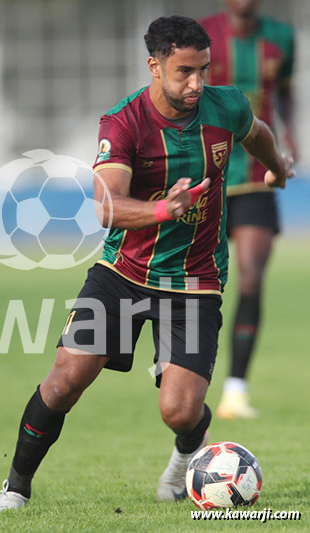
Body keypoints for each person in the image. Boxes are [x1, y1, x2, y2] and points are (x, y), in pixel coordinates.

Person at [0, 16, 294, 511]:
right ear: (154, 66)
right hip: (121, 276)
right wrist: (162, 209)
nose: (196, 83)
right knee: (65, 378)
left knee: (179, 410)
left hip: (195, 282)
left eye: (203, 70)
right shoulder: (124, 121)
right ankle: (16, 487)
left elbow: (254, 130)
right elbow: (105, 204)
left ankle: (180, 469)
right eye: (183, 72)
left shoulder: (225, 105)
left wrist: (276, 166)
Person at [201, 0, 296, 420]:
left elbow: (286, 91)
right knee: (197, 281)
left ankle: (235, 390)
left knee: (251, 278)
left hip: (259, 176)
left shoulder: (281, 37)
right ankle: (177, 372)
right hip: (208, 174)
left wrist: (289, 135)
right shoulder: (202, 38)